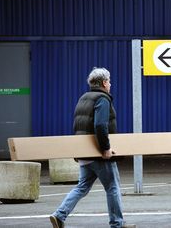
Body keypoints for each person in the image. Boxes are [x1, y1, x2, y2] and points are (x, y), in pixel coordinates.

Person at [50, 67, 134, 228]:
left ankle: (59, 215)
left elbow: (78, 124)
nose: (110, 84)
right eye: (109, 81)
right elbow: (100, 125)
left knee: (82, 187)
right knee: (113, 187)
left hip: (84, 152)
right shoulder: (102, 99)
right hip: (98, 153)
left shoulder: (84, 98)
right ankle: (117, 224)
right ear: (104, 82)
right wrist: (106, 148)